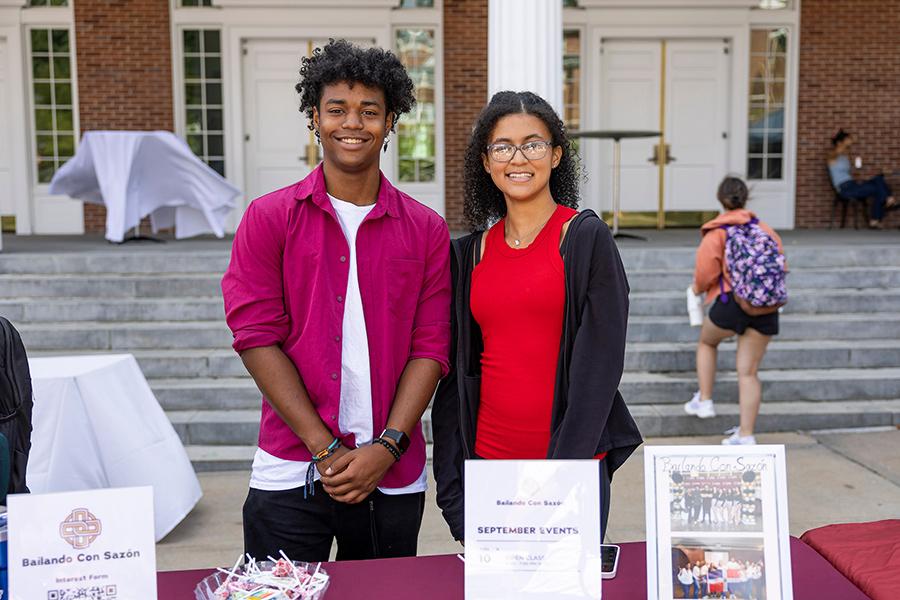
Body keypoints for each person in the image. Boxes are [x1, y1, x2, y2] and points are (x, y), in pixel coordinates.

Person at [221, 39, 451, 562]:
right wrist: (324, 448)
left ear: (390, 121)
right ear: (314, 118)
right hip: (291, 466)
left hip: (389, 472)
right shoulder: (269, 217)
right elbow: (255, 338)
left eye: (370, 111)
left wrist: (388, 445)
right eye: (337, 109)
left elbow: (432, 346)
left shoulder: (426, 230)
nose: (353, 123)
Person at [431, 91, 642, 543]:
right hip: (489, 467)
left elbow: (600, 368)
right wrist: (451, 486)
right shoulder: (468, 254)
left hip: (569, 467)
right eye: (502, 146)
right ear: (486, 162)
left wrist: (562, 477)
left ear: (556, 154)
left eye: (533, 143)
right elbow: (454, 380)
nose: (518, 157)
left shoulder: (585, 238)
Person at [684, 177, 786, 445]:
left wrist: (697, 290)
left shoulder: (717, 232)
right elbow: (780, 267)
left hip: (729, 305)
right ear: (746, 198)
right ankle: (746, 434)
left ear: (721, 199)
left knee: (708, 341)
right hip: (765, 308)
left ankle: (705, 399)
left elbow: (705, 275)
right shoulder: (765, 230)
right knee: (749, 372)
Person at [828, 129, 896, 228]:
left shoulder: (845, 156)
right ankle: (885, 205)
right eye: (847, 139)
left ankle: (883, 206)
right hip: (844, 189)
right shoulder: (831, 156)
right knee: (880, 188)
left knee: (878, 179)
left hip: (852, 184)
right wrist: (845, 142)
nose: (850, 140)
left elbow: (851, 170)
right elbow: (838, 150)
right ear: (839, 143)